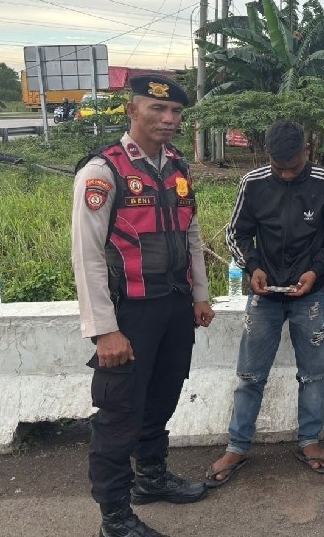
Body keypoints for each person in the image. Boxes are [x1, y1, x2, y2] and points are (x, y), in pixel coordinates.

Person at [72, 74, 214, 537]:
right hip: (128, 313)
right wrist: (104, 329)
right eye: (157, 109)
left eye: (175, 111)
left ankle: (151, 477)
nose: (168, 119)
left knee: (162, 396)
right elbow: (87, 256)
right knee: (119, 414)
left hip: (173, 306)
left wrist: (199, 295)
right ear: (132, 111)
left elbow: (190, 232)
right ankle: (115, 517)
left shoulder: (176, 166)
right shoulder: (103, 171)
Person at [206, 120, 324, 486]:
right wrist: (253, 267)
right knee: (250, 374)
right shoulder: (253, 183)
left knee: (313, 372)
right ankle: (238, 446)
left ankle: (310, 440)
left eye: (293, 167)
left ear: (307, 151)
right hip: (264, 293)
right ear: (267, 155)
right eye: (278, 167)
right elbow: (236, 233)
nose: (286, 175)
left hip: (309, 295)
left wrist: (316, 272)